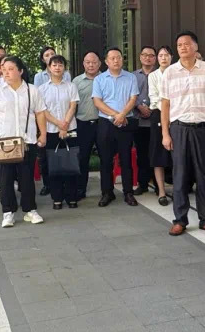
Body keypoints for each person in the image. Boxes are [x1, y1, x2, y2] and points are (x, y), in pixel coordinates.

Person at [162, 31, 205, 236]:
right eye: (179, 45)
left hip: (203, 129)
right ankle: (180, 220)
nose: (182, 47)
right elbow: (165, 105)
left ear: (195, 47)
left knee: (203, 175)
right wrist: (165, 134)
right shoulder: (170, 72)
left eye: (187, 44)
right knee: (180, 176)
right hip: (178, 129)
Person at [0, 55, 48, 227]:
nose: (6, 73)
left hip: (27, 140)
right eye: (4, 70)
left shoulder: (32, 90)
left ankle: (30, 210)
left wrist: (43, 134)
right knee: (5, 179)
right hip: (4, 141)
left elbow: (40, 113)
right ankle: (8, 212)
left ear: (20, 71)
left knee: (27, 177)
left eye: (11, 69)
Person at [93, 47, 140, 206]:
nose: (116, 60)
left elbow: (133, 99)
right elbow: (97, 101)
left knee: (126, 159)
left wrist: (122, 114)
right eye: (112, 58)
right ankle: (107, 193)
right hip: (106, 123)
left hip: (126, 122)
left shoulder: (131, 77)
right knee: (105, 160)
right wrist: (116, 115)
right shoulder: (99, 79)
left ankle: (128, 192)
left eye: (118, 57)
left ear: (122, 59)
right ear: (106, 61)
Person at [37, 54, 80, 210]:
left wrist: (65, 125)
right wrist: (58, 125)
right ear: (48, 68)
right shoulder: (41, 89)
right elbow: (43, 111)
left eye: (60, 65)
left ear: (64, 68)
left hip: (70, 129)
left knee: (71, 163)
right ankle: (57, 198)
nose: (57, 68)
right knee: (53, 165)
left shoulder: (71, 86)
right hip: (50, 131)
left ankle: (71, 197)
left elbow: (73, 106)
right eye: (54, 65)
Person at [148, 45, 175, 205]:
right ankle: (161, 191)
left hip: (177, 115)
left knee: (177, 154)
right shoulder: (153, 76)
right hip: (158, 114)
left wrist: (173, 113)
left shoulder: (177, 73)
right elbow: (154, 97)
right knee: (158, 154)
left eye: (166, 55)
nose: (163, 58)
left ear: (171, 57)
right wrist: (167, 112)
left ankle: (178, 190)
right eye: (160, 55)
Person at [74, 51, 102, 201]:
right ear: (83, 64)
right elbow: (73, 105)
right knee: (82, 158)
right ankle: (80, 189)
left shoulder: (106, 79)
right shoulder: (77, 81)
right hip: (83, 124)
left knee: (106, 157)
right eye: (88, 62)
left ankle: (107, 190)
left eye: (94, 62)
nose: (91, 65)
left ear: (100, 63)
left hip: (102, 123)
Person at [133, 46, 157, 195]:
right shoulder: (133, 76)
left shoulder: (160, 74)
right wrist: (139, 107)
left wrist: (152, 109)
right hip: (139, 121)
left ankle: (158, 184)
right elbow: (129, 95)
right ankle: (143, 184)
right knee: (141, 154)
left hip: (156, 120)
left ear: (155, 58)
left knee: (156, 153)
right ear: (140, 57)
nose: (148, 58)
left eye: (151, 55)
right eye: (145, 55)